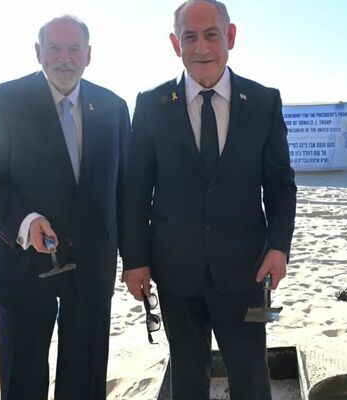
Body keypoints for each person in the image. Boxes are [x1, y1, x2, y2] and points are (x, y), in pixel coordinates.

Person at [120, 0, 296, 398]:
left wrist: (279, 247)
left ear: (230, 36)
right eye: (190, 37)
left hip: (246, 270)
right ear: (174, 43)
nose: (201, 48)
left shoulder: (264, 101)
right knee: (187, 373)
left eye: (211, 35)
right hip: (175, 270)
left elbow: (281, 183)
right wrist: (135, 259)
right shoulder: (150, 105)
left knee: (251, 373)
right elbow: (135, 190)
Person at [0, 15, 131, 400]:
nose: (64, 58)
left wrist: (136, 258)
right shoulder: (0, 101)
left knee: (86, 381)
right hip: (22, 265)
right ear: (38, 52)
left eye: (74, 49)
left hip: (92, 268)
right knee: (22, 381)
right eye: (55, 48)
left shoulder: (113, 107)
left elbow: (126, 190)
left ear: (88, 56)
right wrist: (27, 220)